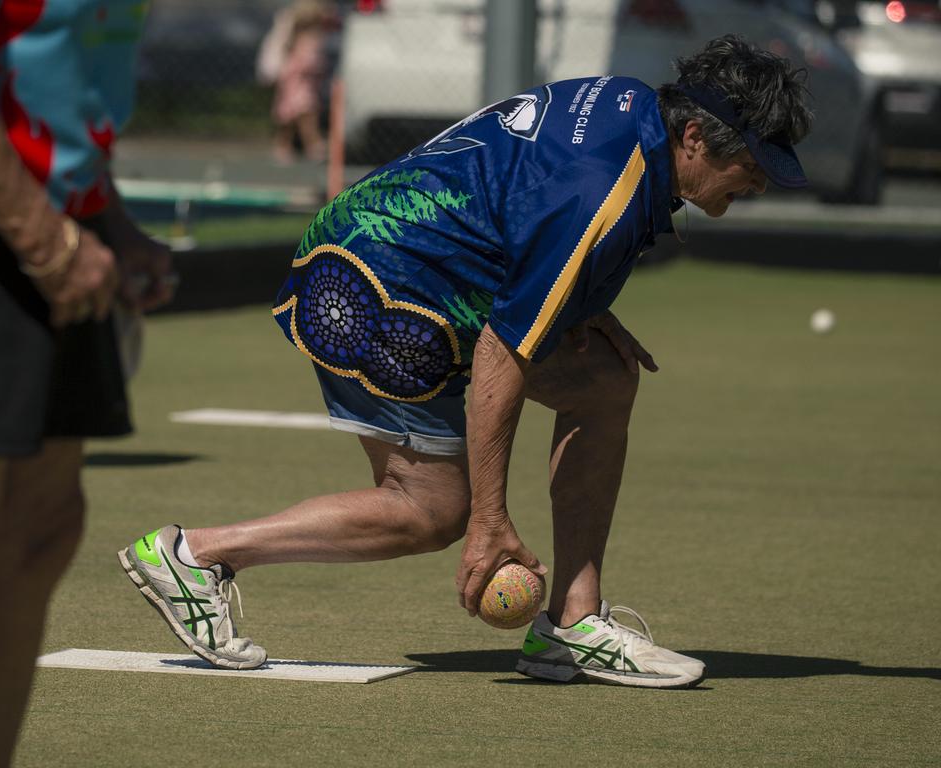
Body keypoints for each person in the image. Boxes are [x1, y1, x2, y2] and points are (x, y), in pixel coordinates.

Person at [119, 35, 812, 687]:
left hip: (412, 256)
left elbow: (521, 192)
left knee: (602, 379)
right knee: (432, 512)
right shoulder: (604, 185)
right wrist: (490, 520)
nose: (755, 184)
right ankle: (194, 556)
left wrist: (578, 297)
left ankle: (573, 623)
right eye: (749, 165)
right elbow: (503, 352)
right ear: (694, 136)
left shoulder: (636, 108)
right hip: (381, 281)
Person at [0, 1, 173, 765]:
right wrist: (47, 242)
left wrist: (108, 219)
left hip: (52, 210)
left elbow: (55, 75)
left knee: (41, 530)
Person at [261, 0, 337, 164]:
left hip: (305, 83)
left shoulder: (312, 35)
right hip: (295, 82)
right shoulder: (296, 35)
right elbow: (305, 61)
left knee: (304, 114)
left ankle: (305, 145)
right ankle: (305, 145)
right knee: (298, 115)